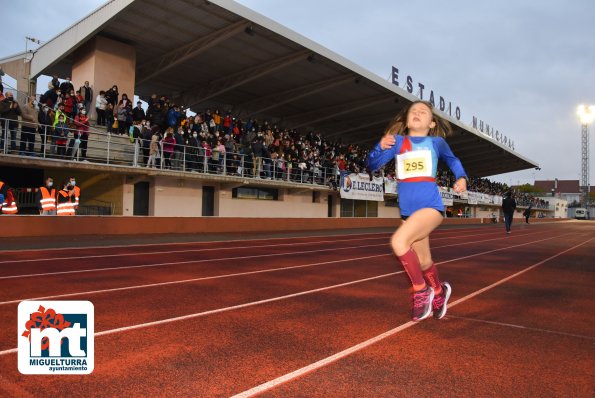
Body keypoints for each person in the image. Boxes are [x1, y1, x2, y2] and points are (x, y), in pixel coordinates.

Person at [367, 100, 467, 321]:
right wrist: (379, 146)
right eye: (413, 111)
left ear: (431, 123)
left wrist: (461, 177)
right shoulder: (397, 142)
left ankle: (421, 291)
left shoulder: (437, 142)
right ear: (406, 121)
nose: (418, 113)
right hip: (407, 213)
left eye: (423, 112)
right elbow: (372, 165)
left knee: (398, 242)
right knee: (423, 262)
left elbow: (453, 160)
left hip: (430, 207)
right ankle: (440, 292)